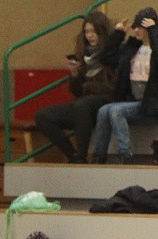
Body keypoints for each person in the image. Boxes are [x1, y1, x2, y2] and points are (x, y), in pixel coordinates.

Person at [91, 7, 158, 164]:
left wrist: (154, 31)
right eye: (135, 27)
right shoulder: (133, 48)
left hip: (154, 104)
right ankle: (99, 155)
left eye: (141, 27)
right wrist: (118, 34)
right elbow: (106, 58)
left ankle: (126, 155)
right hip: (135, 101)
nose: (136, 30)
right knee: (104, 111)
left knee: (116, 111)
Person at [34, 11, 116, 163]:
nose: (89, 35)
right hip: (84, 105)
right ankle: (73, 156)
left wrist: (88, 86)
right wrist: (74, 75)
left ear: (102, 32)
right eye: (86, 32)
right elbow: (77, 92)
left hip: (106, 101)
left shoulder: (112, 53)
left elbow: (113, 87)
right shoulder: (83, 54)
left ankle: (81, 155)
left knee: (81, 105)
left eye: (93, 31)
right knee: (42, 116)